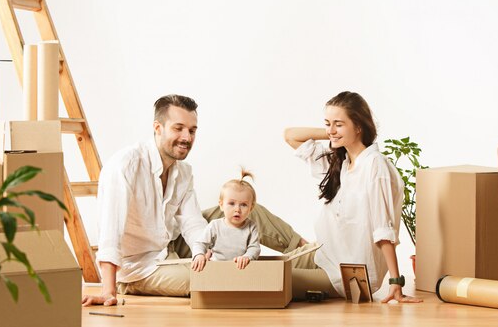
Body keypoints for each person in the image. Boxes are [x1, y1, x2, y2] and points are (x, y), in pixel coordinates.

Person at [82, 94, 305, 306]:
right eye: (178, 128)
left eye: (192, 130)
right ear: (158, 128)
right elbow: (110, 232)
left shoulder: (184, 172)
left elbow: (192, 223)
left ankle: (312, 255)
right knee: (211, 278)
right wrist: (107, 290)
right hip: (139, 266)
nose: (187, 138)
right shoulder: (125, 165)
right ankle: (306, 280)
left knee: (246, 210)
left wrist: (207, 250)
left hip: (170, 243)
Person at [284, 91, 422, 303]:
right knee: (255, 249)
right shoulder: (341, 163)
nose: (330, 130)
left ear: (359, 126)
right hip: (325, 255)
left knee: (271, 278)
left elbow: (383, 228)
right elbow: (290, 135)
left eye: (338, 123)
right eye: (327, 123)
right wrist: (335, 132)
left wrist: (395, 281)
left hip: (349, 275)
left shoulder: (375, 165)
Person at [191, 169, 260, 272]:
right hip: (216, 269)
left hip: (240, 269)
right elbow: (200, 243)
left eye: (244, 205)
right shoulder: (215, 225)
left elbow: (254, 248)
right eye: (232, 203)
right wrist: (199, 255)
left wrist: (247, 257)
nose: (237, 209)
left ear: (251, 208)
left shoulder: (251, 227)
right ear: (221, 205)